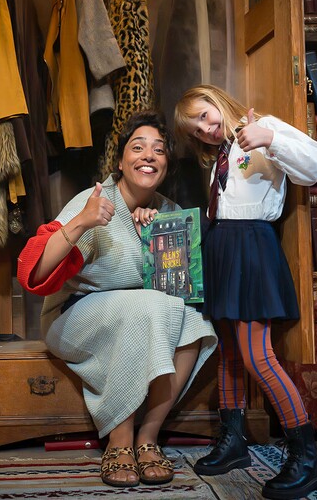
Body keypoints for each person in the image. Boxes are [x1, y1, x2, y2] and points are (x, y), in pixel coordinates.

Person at [16, 110, 217, 488]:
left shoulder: (169, 212)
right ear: (121, 161)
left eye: (159, 150)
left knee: (195, 320)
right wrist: (83, 221)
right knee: (143, 307)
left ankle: (148, 437)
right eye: (137, 147)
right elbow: (33, 274)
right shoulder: (94, 201)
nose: (148, 155)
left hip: (139, 315)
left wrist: (153, 240)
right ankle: (119, 440)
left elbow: (179, 293)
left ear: (166, 164)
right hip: (73, 315)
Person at [174, 85, 317, 500]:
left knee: (257, 356)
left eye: (205, 116)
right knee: (228, 351)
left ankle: (307, 459)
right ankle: (234, 442)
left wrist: (270, 138)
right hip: (222, 246)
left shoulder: (263, 127)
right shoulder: (222, 153)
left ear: (217, 100)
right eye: (196, 130)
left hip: (252, 245)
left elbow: (315, 165)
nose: (206, 129)